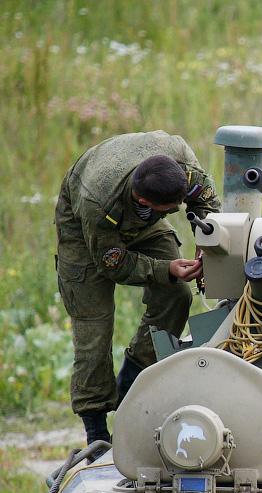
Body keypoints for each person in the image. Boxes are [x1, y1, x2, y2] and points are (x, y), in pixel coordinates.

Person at [55, 131, 220, 446]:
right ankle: (96, 433)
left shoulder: (181, 165)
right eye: (169, 208)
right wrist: (165, 269)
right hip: (84, 229)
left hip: (143, 219)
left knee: (177, 295)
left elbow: (206, 202)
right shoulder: (97, 202)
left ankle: (133, 383)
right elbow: (112, 264)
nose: (175, 211)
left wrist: (208, 243)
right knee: (94, 330)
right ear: (145, 201)